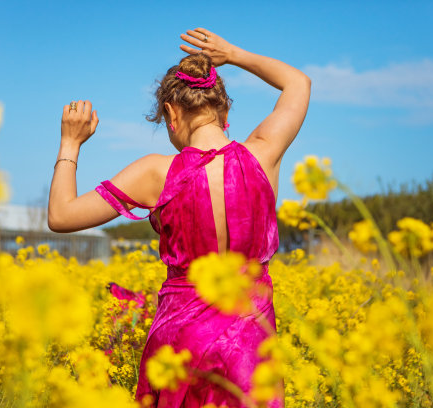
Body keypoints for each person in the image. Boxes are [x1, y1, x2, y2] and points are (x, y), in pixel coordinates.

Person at [48, 27, 310, 407]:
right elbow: (298, 83)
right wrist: (232, 54)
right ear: (226, 111)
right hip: (251, 346)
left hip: (181, 344)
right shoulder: (263, 153)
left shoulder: (155, 173)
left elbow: (60, 215)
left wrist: (70, 142)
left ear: (171, 113)